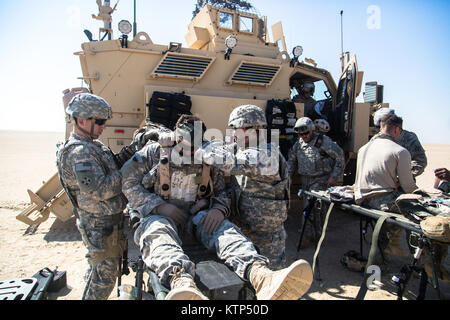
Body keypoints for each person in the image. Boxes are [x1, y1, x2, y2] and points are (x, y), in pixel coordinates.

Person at [120, 114, 313, 300]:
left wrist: (218, 210)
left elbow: (222, 192)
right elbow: (127, 182)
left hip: (196, 220)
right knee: (157, 230)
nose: (188, 153)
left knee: (226, 230)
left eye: (193, 148)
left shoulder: (208, 159)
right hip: (161, 217)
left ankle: (260, 275)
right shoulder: (154, 153)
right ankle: (181, 282)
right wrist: (158, 207)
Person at [195, 105, 289, 269]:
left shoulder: (268, 154)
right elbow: (221, 149)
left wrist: (200, 147)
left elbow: (229, 162)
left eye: (236, 129)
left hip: (267, 236)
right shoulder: (242, 148)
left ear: (252, 129)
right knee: (247, 275)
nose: (233, 134)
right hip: (243, 227)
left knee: (271, 279)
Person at [56, 93, 127, 300]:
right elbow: (100, 190)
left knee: (97, 272)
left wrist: (132, 152)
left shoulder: (93, 146)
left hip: (106, 223)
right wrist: (130, 170)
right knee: (103, 280)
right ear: (82, 120)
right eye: (100, 122)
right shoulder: (80, 152)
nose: (103, 127)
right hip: (98, 225)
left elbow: (111, 167)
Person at [354, 113, 418, 260]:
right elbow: (408, 187)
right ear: (397, 130)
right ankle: (419, 261)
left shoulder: (363, 148)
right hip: (381, 202)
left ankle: (384, 248)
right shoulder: (400, 151)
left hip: (361, 199)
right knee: (418, 210)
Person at [287, 117, 345, 246]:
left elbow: (340, 156)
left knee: (312, 208)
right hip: (305, 180)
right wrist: (289, 176)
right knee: (313, 208)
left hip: (320, 179)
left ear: (312, 130)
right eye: (300, 134)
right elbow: (291, 160)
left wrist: (334, 177)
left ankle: (307, 236)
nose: (303, 136)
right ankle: (315, 234)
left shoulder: (324, 142)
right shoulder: (299, 144)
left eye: (306, 133)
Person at [373, 108, 427, 178]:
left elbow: (420, 162)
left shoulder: (409, 138)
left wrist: (400, 177)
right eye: (379, 127)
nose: (381, 130)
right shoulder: (376, 138)